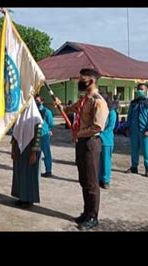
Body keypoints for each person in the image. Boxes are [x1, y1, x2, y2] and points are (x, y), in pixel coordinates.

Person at [55, 68, 109, 230]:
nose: (79, 81)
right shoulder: (85, 100)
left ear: (91, 81)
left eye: (82, 79)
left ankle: (93, 216)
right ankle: (86, 212)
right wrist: (60, 106)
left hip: (91, 143)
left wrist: (79, 132)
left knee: (92, 181)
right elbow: (70, 109)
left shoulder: (98, 102)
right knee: (84, 179)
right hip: (81, 142)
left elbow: (98, 126)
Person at [11, 97, 43, 208]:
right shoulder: (20, 118)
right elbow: (15, 135)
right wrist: (13, 149)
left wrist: (34, 153)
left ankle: (29, 199)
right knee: (20, 173)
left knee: (29, 175)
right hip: (20, 151)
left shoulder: (37, 119)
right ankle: (21, 197)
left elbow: (38, 138)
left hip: (30, 151)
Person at [124, 83, 148, 177]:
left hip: (145, 131)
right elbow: (129, 116)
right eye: (138, 89)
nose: (140, 90)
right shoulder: (134, 102)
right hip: (134, 130)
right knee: (134, 150)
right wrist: (127, 127)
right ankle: (134, 167)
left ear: (146, 90)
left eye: (142, 89)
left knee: (146, 151)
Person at [98, 95, 117, 189]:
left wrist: (99, 133)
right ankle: (98, 178)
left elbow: (110, 127)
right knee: (98, 161)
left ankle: (105, 180)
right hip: (97, 140)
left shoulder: (111, 112)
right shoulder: (99, 111)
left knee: (106, 161)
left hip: (106, 140)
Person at [35, 95, 54, 177]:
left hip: (43, 134)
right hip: (35, 135)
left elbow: (51, 123)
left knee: (46, 153)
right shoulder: (33, 111)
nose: (37, 102)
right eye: (35, 100)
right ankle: (35, 170)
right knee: (35, 153)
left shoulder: (47, 111)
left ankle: (48, 170)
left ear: (42, 101)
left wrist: (48, 130)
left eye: (38, 100)